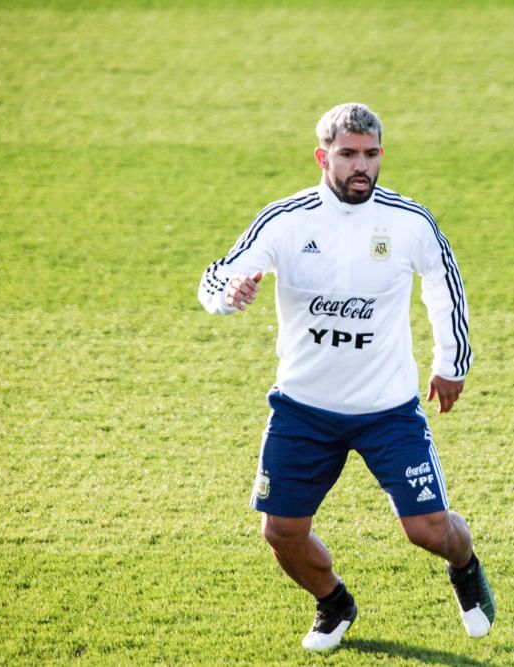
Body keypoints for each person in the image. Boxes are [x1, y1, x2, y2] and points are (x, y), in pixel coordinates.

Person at [198, 103, 495, 651]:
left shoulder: (408, 221)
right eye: (349, 154)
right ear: (323, 156)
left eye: (371, 154)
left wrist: (451, 365)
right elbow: (219, 275)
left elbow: (444, 286)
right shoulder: (286, 220)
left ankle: (466, 566)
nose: (362, 165)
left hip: (387, 409)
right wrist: (228, 294)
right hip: (304, 408)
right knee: (280, 532)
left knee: (427, 530)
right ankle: (334, 604)